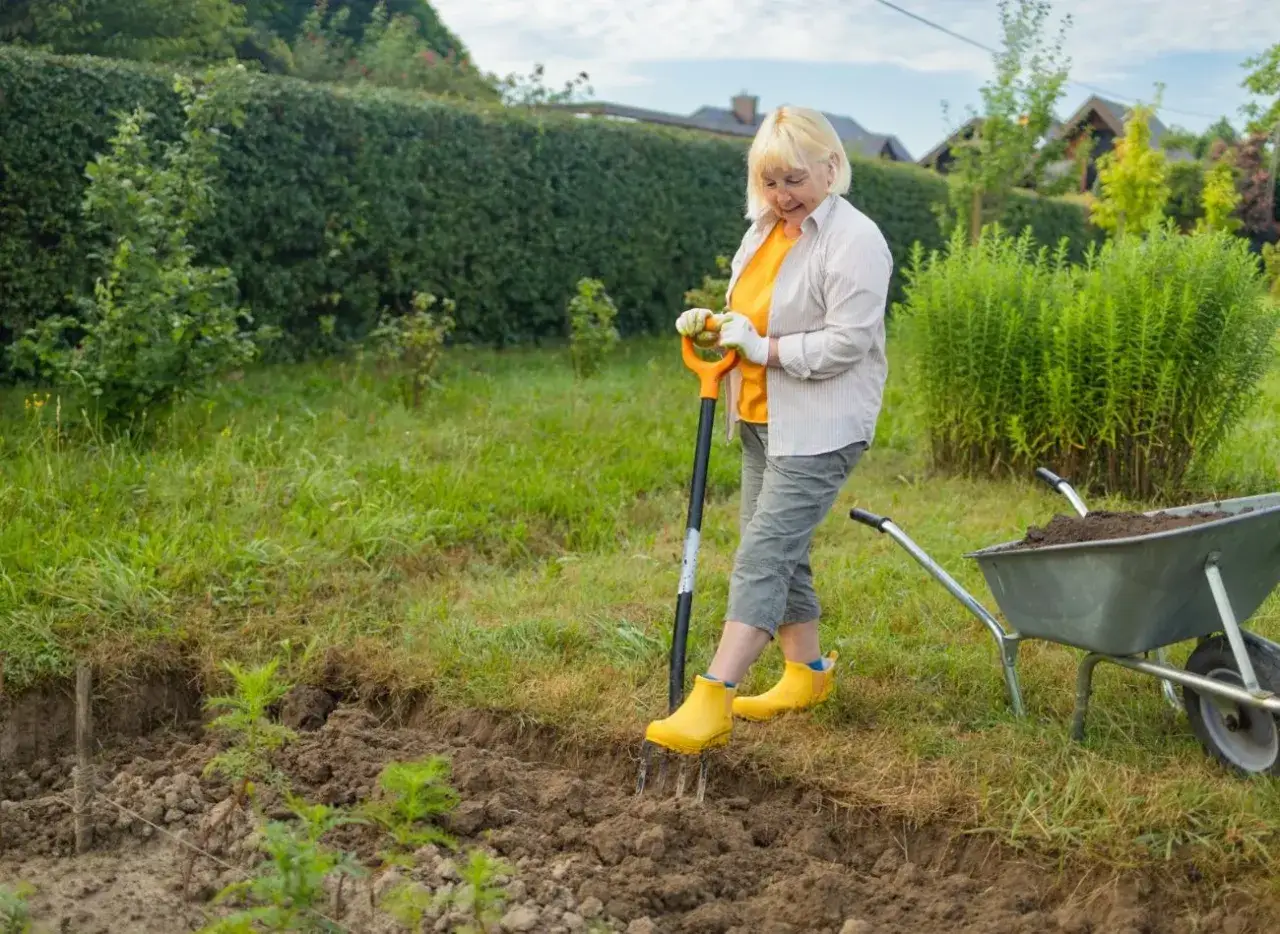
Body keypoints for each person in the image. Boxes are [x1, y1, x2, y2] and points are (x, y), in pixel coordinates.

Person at [644, 105, 894, 755]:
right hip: (759, 417)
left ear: (832, 167)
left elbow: (846, 344)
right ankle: (805, 675)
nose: (782, 195)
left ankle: (713, 697)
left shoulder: (855, 240)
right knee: (780, 549)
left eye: (794, 180)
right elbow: (748, 316)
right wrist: (716, 325)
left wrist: (763, 349)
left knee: (761, 556)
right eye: (770, 181)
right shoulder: (762, 230)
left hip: (821, 427)